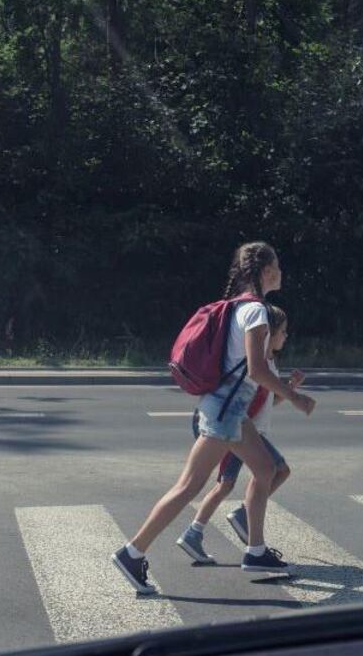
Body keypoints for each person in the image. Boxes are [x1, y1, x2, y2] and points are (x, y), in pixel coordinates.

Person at [111, 242, 316, 595]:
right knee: (188, 486)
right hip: (225, 412)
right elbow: (256, 369)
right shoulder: (257, 312)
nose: (281, 271)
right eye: (277, 265)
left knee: (266, 469)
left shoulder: (242, 307)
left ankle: (255, 551)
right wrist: (295, 397)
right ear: (265, 270)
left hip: (232, 411)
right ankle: (132, 553)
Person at [176, 305, 300, 563]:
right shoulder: (255, 365)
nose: (286, 336)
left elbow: (269, 402)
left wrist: (288, 390)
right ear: (270, 333)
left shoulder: (269, 364)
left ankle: (195, 532)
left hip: (246, 431)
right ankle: (242, 516)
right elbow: (246, 405)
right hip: (240, 431)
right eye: (283, 331)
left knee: (228, 483)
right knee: (273, 470)